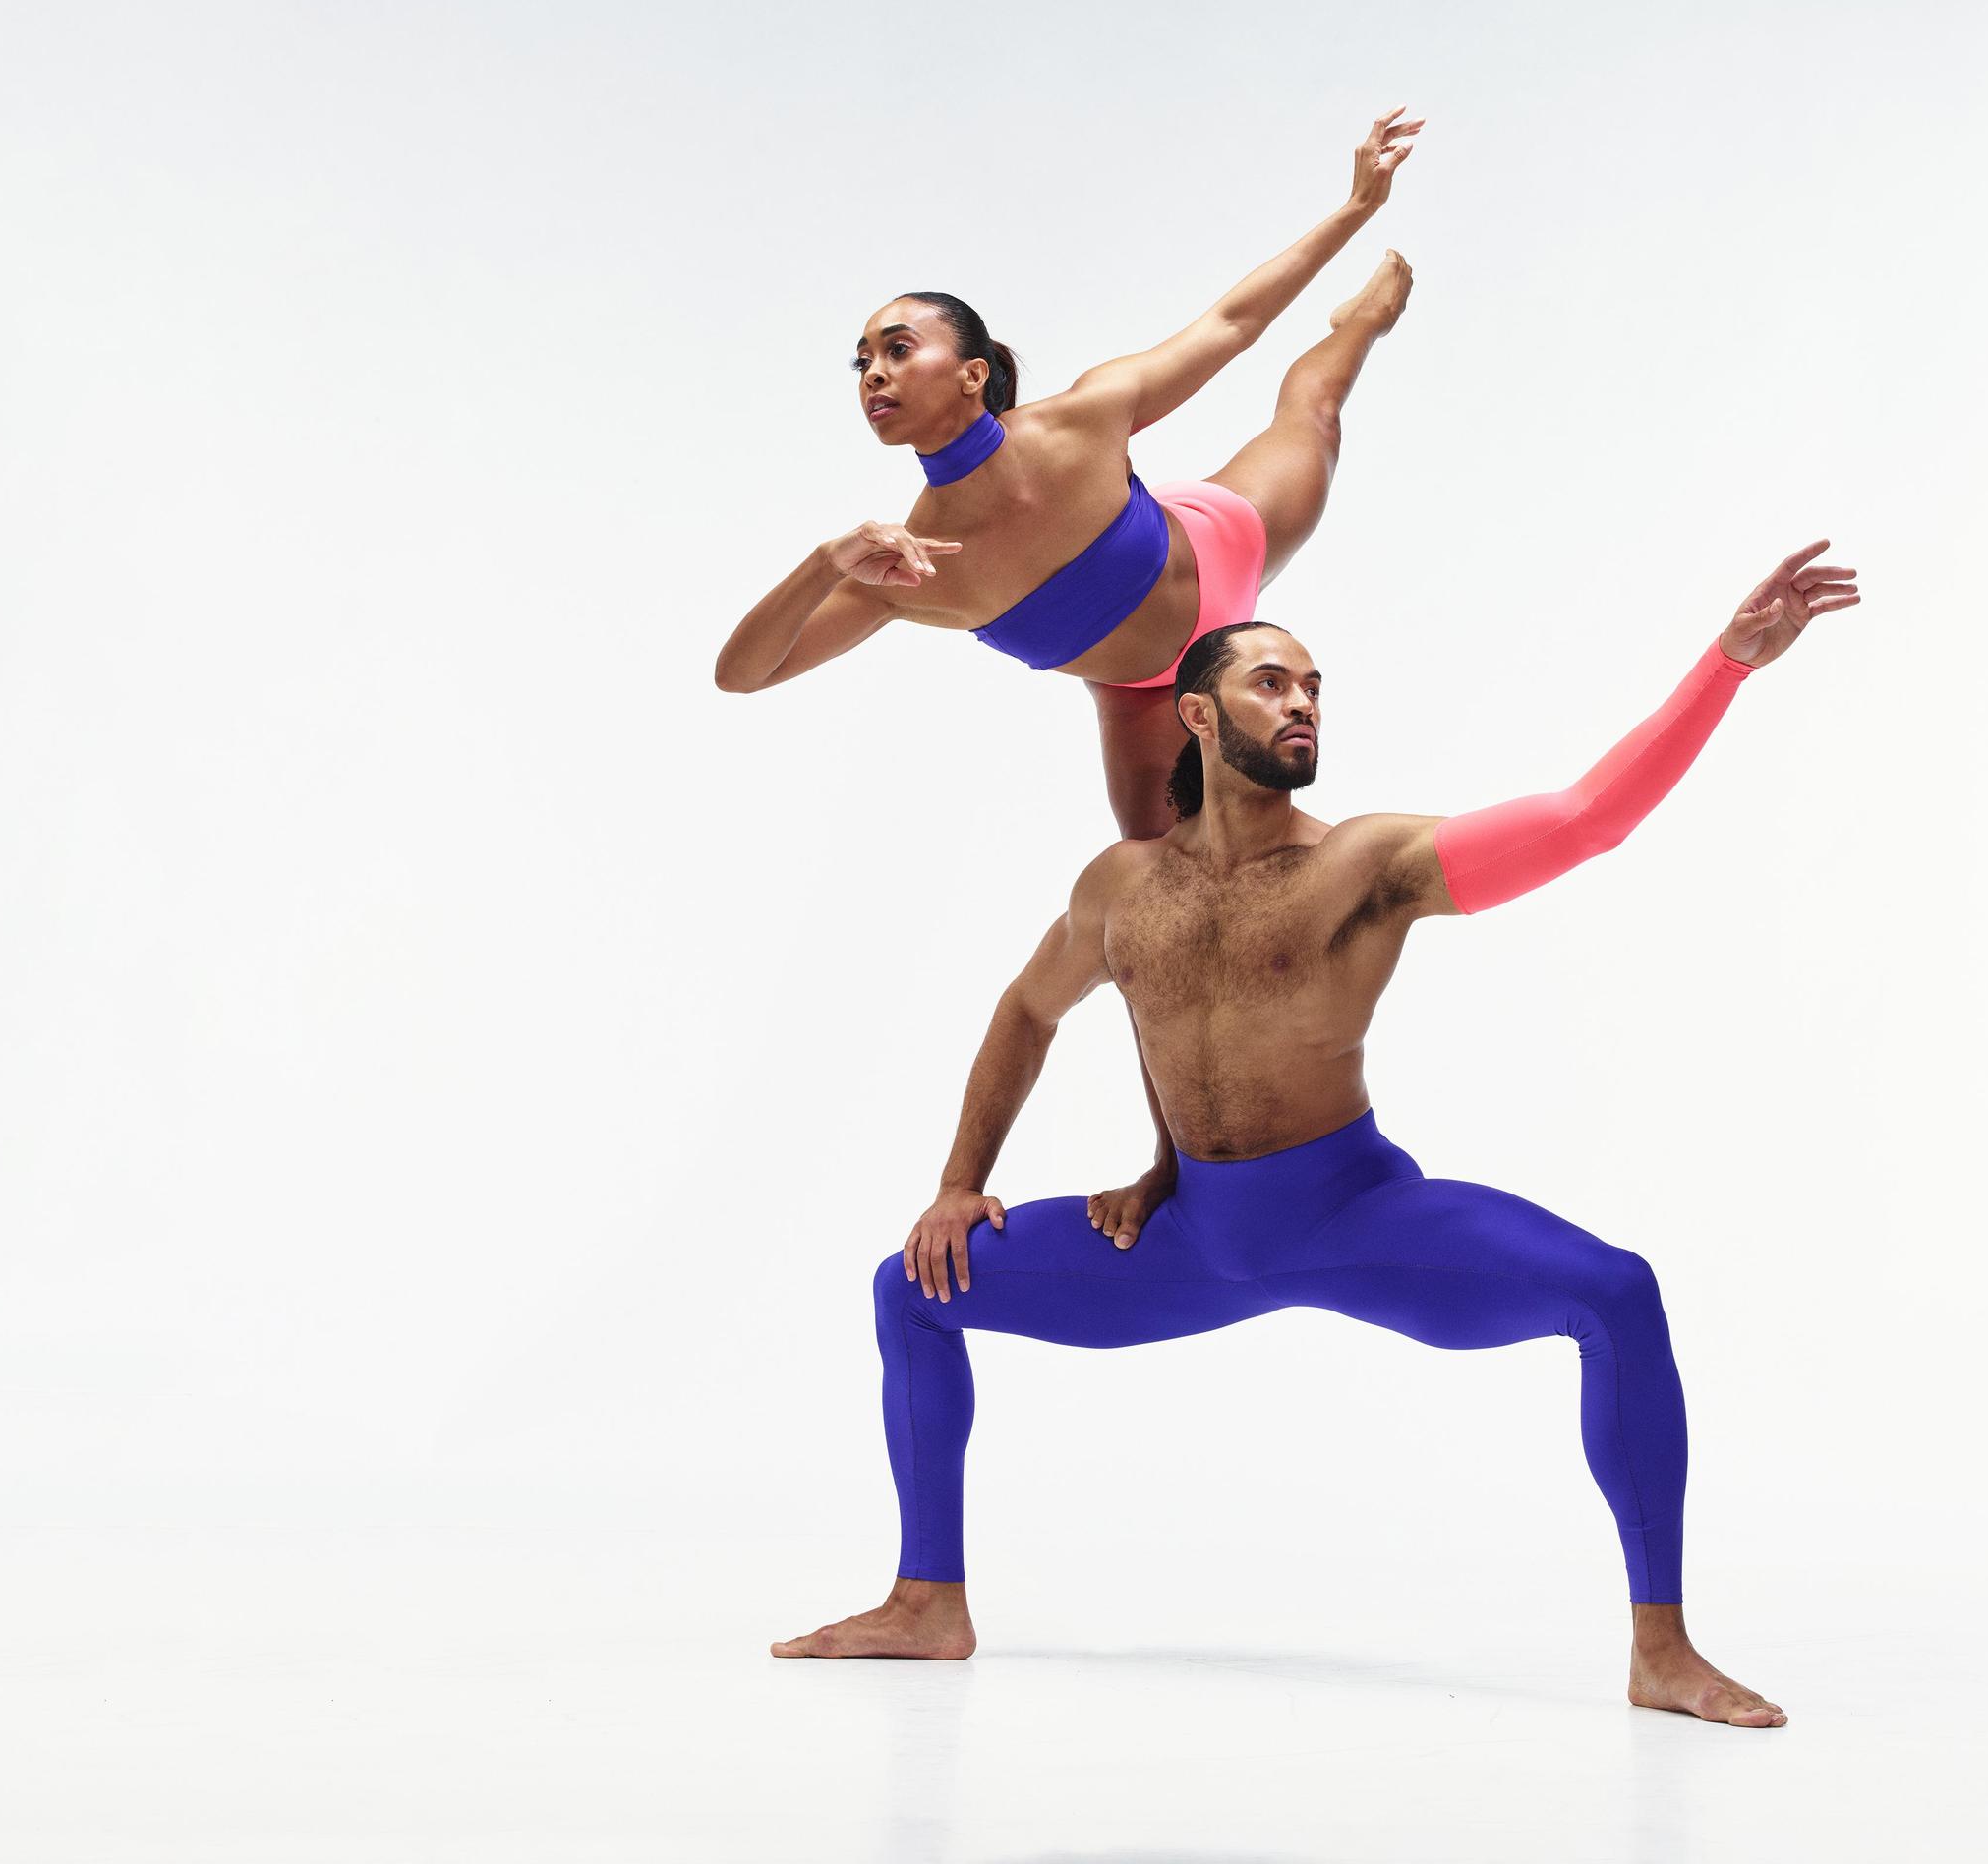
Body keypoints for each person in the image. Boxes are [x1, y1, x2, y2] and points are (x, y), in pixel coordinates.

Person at [770, 541, 1864, 1727]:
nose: (1302, 703)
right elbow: (1032, 1010)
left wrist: (1728, 665)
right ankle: (928, 1601)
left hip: (1357, 1220)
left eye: (1314, 687)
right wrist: (961, 1184)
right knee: (914, 1286)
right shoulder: (1122, 887)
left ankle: (1664, 1650)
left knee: (1615, 1292)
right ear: (1195, 714)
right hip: (1192, 1240)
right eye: (1273, 683)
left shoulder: (1365, 864)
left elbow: (1586, 820)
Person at [715, 109, 1423, 839]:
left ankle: (1358, 325)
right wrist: (821, 565)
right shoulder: (909, 570)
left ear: (972, 374)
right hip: (1141, 693)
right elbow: (742, 675)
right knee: (1158, 877)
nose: (874, 375)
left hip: (1220, 546)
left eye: (898, 349)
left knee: (1313, 414)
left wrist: (1356, 208)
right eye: (863, 361)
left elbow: (1231, 325)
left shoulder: (1083, 419)